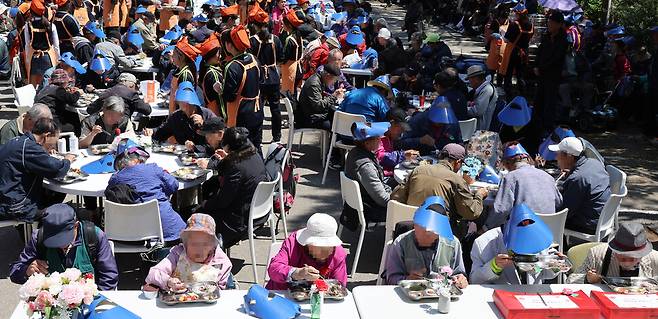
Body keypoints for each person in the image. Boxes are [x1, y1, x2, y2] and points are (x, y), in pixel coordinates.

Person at [9, 204, 118, 290]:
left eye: (63, 239)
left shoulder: (95, 236)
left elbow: (109, 276)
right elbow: (14, 272)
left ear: (76, 226)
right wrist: (27, 271)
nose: (60, 246)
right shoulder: (38, 238)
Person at [392, 143, 486, 236]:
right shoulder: (456, 180)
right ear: (458, 162)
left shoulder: (418, 170)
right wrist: (479, 195)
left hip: (407, 229)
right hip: (437, 233)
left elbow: (395, 197)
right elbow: (471, 213)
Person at [198, 127, 268, 249]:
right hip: (258, 210)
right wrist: (227, 159)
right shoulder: (254, 154)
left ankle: (204, 252)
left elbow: (223, 201)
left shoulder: (236, 167)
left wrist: (203, 204)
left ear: (230, 147)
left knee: (195, 215)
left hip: (238, 221)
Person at [108, 143, 186, 243]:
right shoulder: (153, 169)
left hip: (129, 235)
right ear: (138, 160)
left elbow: (110, 195)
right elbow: (174, 185)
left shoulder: (116, 178)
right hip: (167, 231)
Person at [385, 196, 468, 288]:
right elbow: (391, 278)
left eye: (431, 235)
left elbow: (459, 273)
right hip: (410, 294)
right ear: (415, 224)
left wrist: (460, 279)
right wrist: (407, 280)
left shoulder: (452, 243)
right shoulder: (401, 243)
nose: (425, 235)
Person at [0, 119, 74, 221]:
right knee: (65, 209)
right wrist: (67, 160)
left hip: (6, 198)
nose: (52, 147)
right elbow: (58, 170)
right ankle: (42, 231)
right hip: (16, 206)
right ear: (46, 136)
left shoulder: (19, 141)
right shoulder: (30, 148)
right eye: (52, 144)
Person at [470, 204, 559, 285]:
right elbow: (475, 280)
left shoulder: (541, 238)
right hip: (502, 295)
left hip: (532, 295)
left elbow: (547, 273)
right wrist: (494, 266)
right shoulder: (484, 243)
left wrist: (556, 266)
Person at [485, 142, 562, 229]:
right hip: (548, 231)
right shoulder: (549, 177)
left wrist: (486, 228)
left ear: (507, 164)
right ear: (528, 160)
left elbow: (501, 210)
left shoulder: (511, 177)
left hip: (523, 233)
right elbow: (559, 202)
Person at [145, 213, 233, 290]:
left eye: (205, 244)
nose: (199, 249)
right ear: (185, 244)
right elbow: (152, 274)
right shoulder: (177, 254)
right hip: (177, 302)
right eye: (194, 244)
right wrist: (168, 281)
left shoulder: (221, 262)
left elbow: (224, 293)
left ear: (212, 246)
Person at [266, 213, 348, 289]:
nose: (329, 252)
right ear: (308, 243)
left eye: (330, 247)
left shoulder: (338, 253)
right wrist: (297, 273)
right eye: (322, 248)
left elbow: (340, 286)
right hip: (282, 293)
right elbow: (274, 269)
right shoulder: (293, 243)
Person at [549, 137, 610, 235]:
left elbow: (565, 213)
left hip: (588, 224)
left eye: (558, 154)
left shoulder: (577, 178)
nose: (556, 158)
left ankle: (560, 247)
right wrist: (571, 172)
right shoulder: (594, 162)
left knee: (548, 220)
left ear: (569, 156)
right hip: (601, 216)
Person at [569, 222, 658, 283]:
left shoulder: (654, 259)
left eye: (633, 257)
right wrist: (587, 279)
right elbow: (570, 281)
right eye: (622, 256)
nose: (627, 262)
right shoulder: (596, 254)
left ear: (643, 254)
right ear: (614, 250)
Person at [221, 25, 263, 150]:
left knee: (240, 150)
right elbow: (260, 81)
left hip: (242, 114)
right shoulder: (254, 59)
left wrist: (220, 91)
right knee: (256, 147)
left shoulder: (232, 67)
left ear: (229, 45)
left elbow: (230, 96)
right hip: (257, 110)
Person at [342, 122, 392, 226]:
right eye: (377, 138)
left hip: (361, 199)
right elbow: (382, 199)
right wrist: (400, 200)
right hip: (370, 209)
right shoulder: (366, 166)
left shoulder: (355, 152)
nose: (380, 140)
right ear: (367, 143)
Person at [146, 81, 217, 147]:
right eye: (182, 101)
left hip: (206, 155)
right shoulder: (176, 117)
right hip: (183, 156)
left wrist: (204, 124)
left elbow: (218, 135)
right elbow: (161, 132)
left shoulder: (207, 114)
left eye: (188, 102)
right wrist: (151, 131)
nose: (185, 104)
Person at [250, 14, 284, 143]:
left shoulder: (253, 40)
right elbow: (281, 58)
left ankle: (259, 136)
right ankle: (277, 136)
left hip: (260, 78)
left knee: (259, 108)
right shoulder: (276, 39)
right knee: (275, 108)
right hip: (273, 77)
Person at [534, 11, 568, 133]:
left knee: (550, 101)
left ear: (559, 24)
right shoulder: (546, 36)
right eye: (549, 21)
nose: (549, 24)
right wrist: (536, 66)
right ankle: (536, 124)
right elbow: (540, 52)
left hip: (553, 75)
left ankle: (547, 127)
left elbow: (557, 58)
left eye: (552, 22)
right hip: (541, 74)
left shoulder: (563, 40)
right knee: (538, 99)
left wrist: (542, 67)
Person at [398, 97, 463, 154]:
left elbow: (458, 141)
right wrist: (420, 140)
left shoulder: (452, 123)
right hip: (421, 156)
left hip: (445, 157)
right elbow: (401, 143)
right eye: (438, 121)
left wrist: (461, 147)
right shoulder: (418, 120)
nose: (441, 124)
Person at [498, 4, 533, 94]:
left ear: (518, 13)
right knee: (520, 74)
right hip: (525, 52)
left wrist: (502, 33)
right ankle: (522, 93)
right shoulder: (531, 25)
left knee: (508, 72)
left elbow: (506, 39)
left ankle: (507, 91)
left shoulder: (514, 24)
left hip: (513, 51)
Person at [34, 69, 82, 135]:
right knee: (75, 125)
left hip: (40, 119)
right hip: (50, 122)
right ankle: (77, 141)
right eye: (67, 82)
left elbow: (64, 96)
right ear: (63, 82)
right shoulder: (58, 90)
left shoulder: (47, 88)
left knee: (73, 115)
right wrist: (78, 92)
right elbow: (72, 99)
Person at [297, 63, 343, 130]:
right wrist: (334, 96)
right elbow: (318, 106)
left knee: (337, 117)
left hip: (314, 114)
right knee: (337, 127)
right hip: (309, 118)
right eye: (334, 79)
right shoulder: (314, 84)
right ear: (328, 75)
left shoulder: (320, 79)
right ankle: (332, 140)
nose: (334, 82)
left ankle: (332, 140)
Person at [87, 73, 152, 117]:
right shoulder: (131, 94)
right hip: (122, 126)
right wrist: (145, 101)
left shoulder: (107, 92)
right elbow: (147, 110)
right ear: (132, 84)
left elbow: (90, 110)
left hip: (104, 127)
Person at [375, 107, 415, 177]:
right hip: (382, 176)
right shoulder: (379, 136)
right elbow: (379, 156)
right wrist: (402, 155)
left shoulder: (390, 136)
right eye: (400, 128)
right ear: (391, 124)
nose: (402, 131)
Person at [168, 37, 200, 114]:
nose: (172, 57)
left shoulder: (185, 75)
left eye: (174, 54)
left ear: (181, 57)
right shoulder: (181, 71)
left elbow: (185, 103)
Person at [197, 33, 224, 117]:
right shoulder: (213, 74)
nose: (220, 56)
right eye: (218, 53)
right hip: (216, 112)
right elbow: (219, 98)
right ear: (210, 56)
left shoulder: (209, 70)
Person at [280, 9, 305, 96]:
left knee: (289, 93)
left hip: (291, 69)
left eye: (283, 24)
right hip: (299, 68)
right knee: (294, 91)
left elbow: (285, 57)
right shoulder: (299, 36)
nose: (282, 25)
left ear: (289, 25)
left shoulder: (289, 39)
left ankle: (293, 108)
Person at [466, 65, 497, 131]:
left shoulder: (487, 90)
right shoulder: (482, 88)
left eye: (469, 79)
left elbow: (477, 111)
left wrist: (462, 108)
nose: (469, 82)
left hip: (481, 128)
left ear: (476, 79)